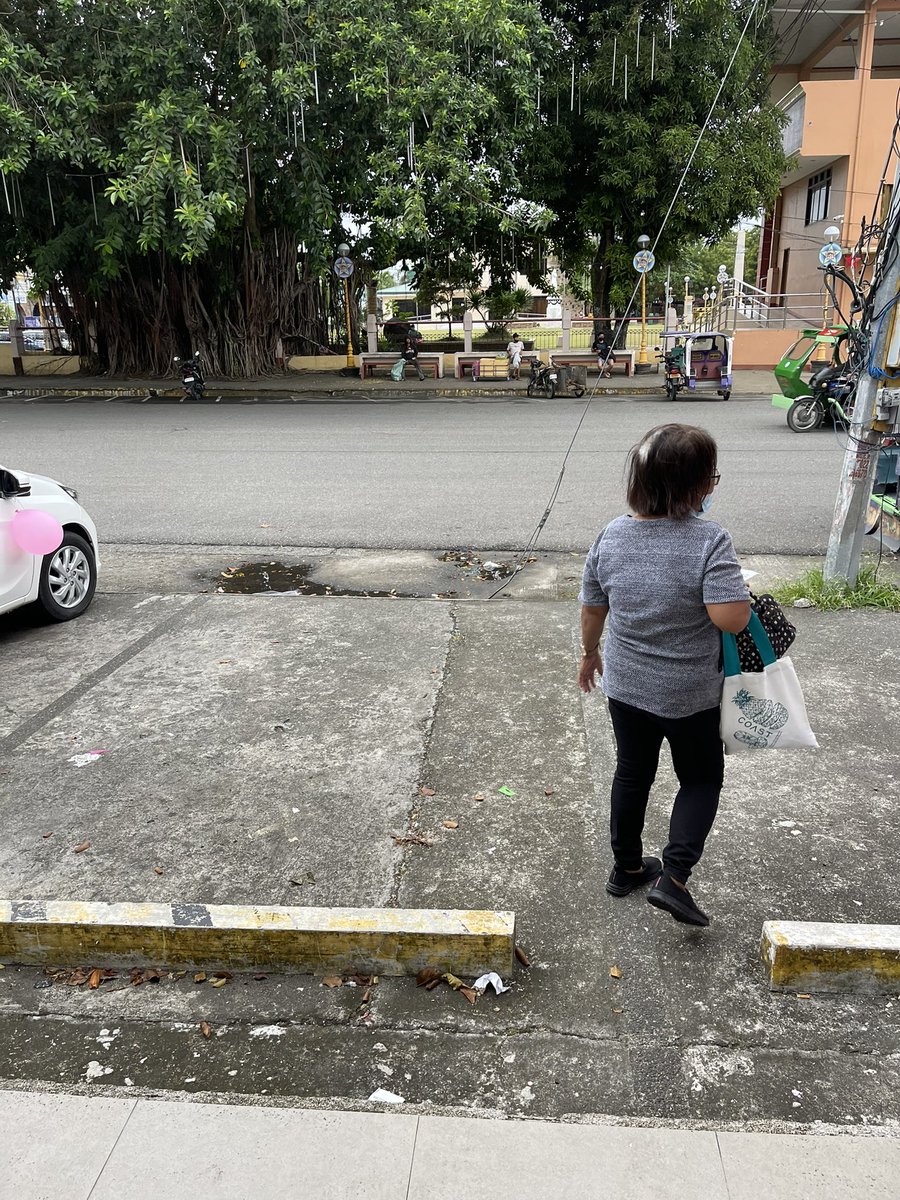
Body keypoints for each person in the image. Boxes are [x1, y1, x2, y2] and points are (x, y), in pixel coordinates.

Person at [577, 424, 750, 927]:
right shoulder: (709, 540)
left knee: (633, 772)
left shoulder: (610, 535)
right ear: (697, 485)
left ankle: (627, 868)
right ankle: (673, 878)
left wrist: (590, 654)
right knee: (699, 779)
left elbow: (593, 608)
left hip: (627, 687)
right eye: (711, 479)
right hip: (690, 695)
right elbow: (731, 619)